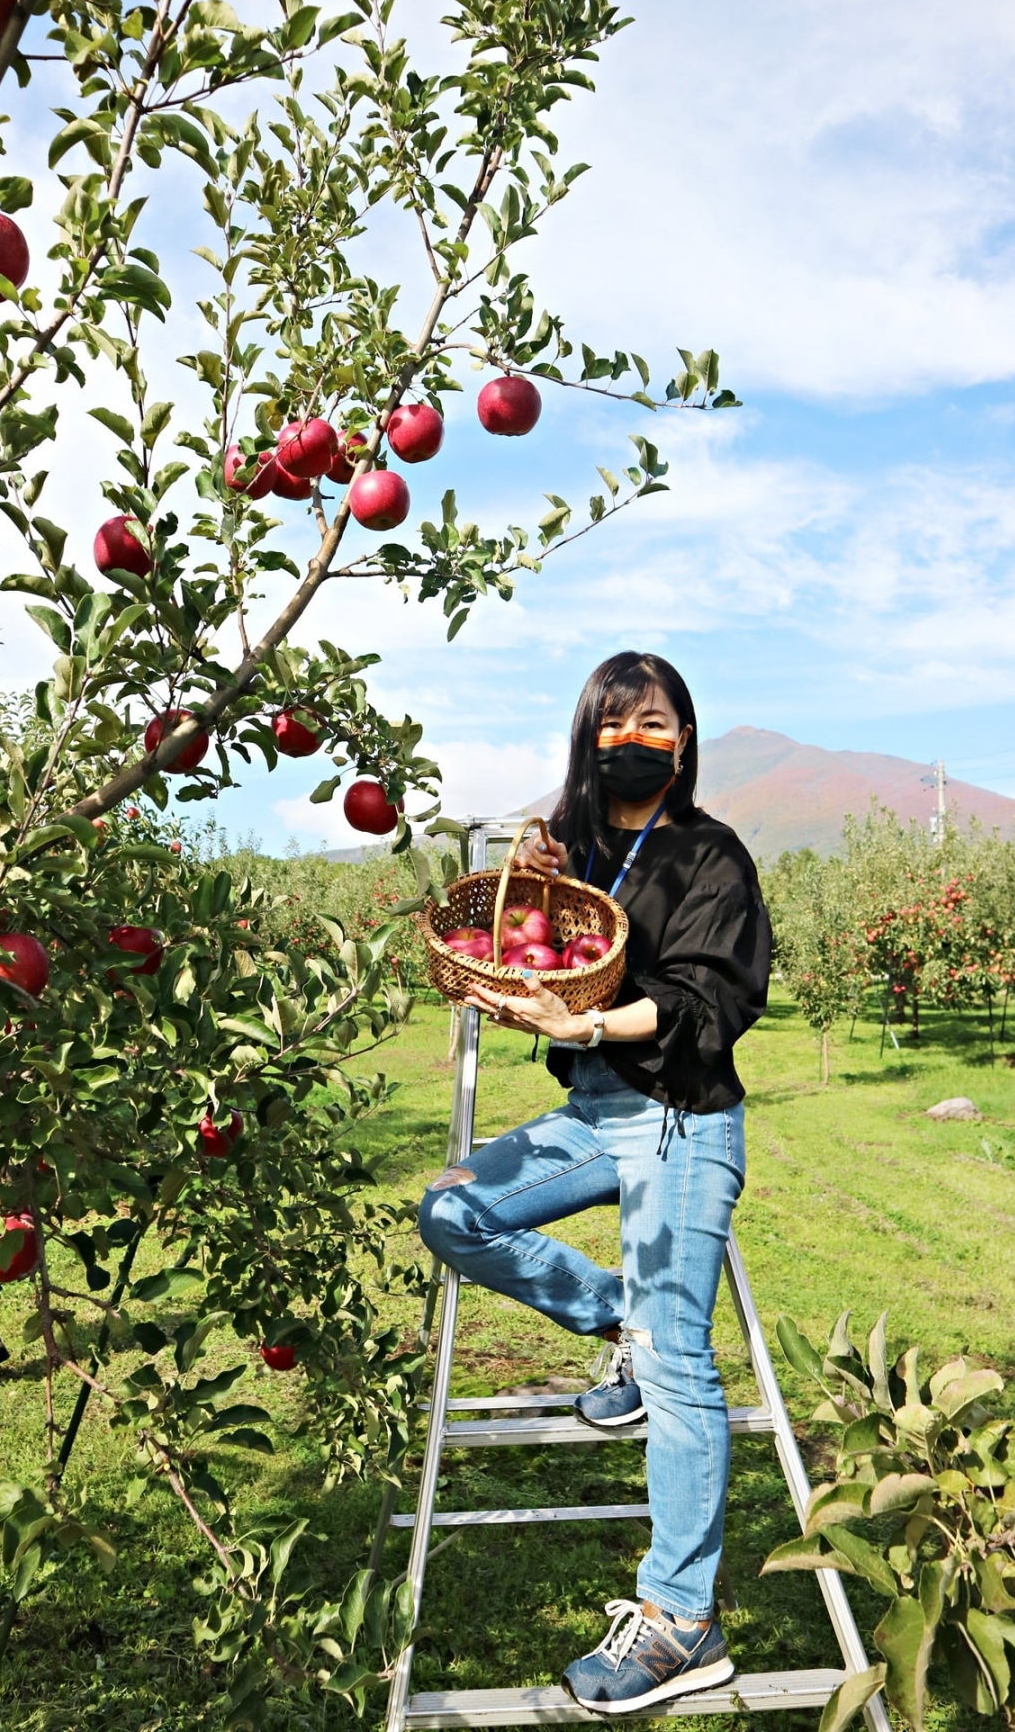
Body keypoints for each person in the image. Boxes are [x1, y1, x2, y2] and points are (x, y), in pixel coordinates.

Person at [418, 651, 771, 1713]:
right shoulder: (564, 855)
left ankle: (681, 1621)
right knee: (453, 1209)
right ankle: (612, 1315)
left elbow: (709, 998)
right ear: (588, 735)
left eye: (655, 721)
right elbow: (518, 939)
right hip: (593, 1115)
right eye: (616, 721)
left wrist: (592, 1021)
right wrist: (533, 883)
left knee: (678, 1363)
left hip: (683, 1118)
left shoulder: (712, 855)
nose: (636, 737)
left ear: (686, 738)